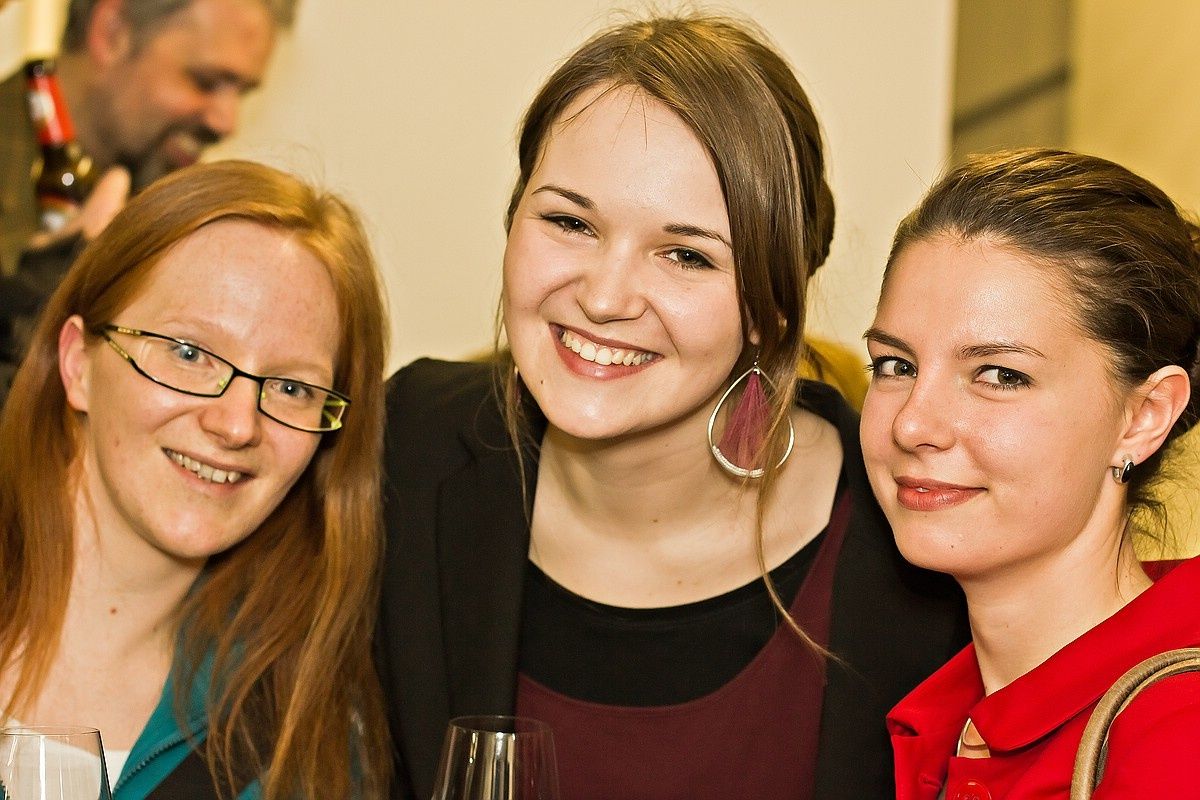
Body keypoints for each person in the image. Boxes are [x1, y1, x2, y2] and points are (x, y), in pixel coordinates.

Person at [377, 14, 967, 800]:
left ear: (771, 309)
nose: (604, 297)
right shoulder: (405, 452)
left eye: (685, 255)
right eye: (570, 222)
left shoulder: (916, 540)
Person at [0, 160, 391, 798]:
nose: (236, 424)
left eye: (291, 388)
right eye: (189, 353)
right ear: (78, 365)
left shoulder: (298, 741)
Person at [862, 148, 1200, 798]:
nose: (912, 424)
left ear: (1143, 417)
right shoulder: (943, 719)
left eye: (999, 375)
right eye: (896, 366)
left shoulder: (1178, 739)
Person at [0, 0, 293, 403]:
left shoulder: (179, 219)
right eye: (205, 82)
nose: (227, 122)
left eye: (241, 93)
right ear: (112, 34)